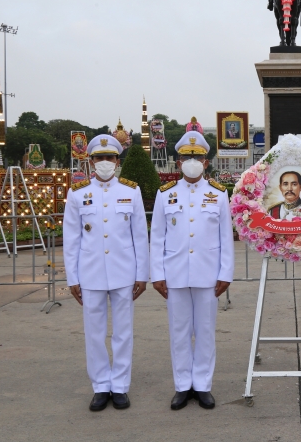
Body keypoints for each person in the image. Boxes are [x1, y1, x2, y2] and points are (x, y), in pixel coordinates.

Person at [63, 135, 149, 411]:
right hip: (90, 274)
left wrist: (142, 274)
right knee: (94, 333)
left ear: (117, 161)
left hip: (124, 272)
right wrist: (72, 279)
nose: (104, 162)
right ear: (90, 161)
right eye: (99, 158)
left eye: (109, 157)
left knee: (123, 333)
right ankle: (101, 385)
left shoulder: (131, 191)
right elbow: (71, 239)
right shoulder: (77, 193)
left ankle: (120, 386)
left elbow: (140, 236)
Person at [150, 131, 234, 410]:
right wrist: (157, 274)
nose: (192, 161)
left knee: (206, 330)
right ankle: (183, 386)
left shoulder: (219, 195)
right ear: (177, 162)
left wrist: (226, 273)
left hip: (208, 274)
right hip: (174, 274)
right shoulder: (166, 194)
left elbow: (226, 238)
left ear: (207, 162)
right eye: (187, 156)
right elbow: (157, 237)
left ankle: (203, 385)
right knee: (179, 330)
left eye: (197, 156)